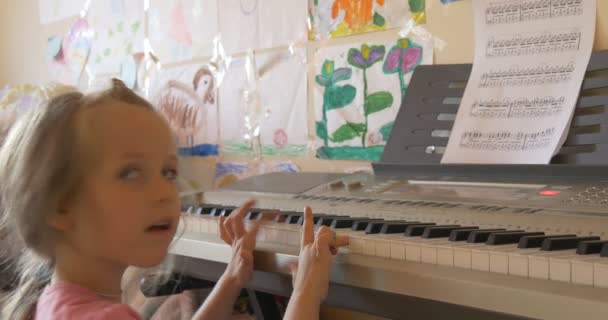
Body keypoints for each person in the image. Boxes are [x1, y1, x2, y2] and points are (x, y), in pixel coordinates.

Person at [0, 79, 348, 320]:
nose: (164, 192)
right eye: (131, 173)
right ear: (61, 205)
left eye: (168, 172)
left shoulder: (59, 301)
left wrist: (231, 280)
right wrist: (306, 292)